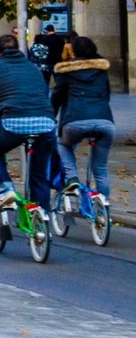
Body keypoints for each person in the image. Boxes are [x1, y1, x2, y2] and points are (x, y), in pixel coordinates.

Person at [0, 33, 58, 210]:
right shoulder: (34, 68)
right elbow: (44, 94)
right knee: (39, 175)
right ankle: (41, 221)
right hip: (45, 123)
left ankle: (6, 188)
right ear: (19, 49)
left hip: (13, 122)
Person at [52, 35, 116, 209]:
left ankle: (72, 179)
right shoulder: (101, 71)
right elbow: (107, 95)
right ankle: (103, 210)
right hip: (104, 121)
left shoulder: (66, 72)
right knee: (101, 168)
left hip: (75, 121)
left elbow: (56, 98)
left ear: (73, 51)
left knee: (63, 145)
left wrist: (51, 116)